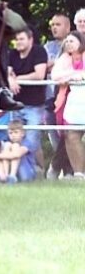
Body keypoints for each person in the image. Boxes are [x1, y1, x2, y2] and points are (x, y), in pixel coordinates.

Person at [6, 28, 48, 181]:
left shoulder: (39, 51)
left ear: (30, 40)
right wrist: (11, 79)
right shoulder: (12, 54)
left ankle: (40, 170)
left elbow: (39, 75)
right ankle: (18, 172)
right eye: (17, 39)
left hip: (34, 105)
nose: (18, 42)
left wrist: (18, 78)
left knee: (32, 139)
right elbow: (8, 72)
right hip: (16, 104)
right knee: (15, 138)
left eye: (21, 39)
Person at [52, 31, 85, 179]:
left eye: (72, 41)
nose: (68, 43)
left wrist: (71, 76)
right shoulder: (64, 58)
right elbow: (56, 76)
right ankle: (78, 174)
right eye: (67, 41)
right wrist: (73, 75)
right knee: (71, 135)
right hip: (74, 101)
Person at [44, 14, 72, 179]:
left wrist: (55, 65)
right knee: (56, 136)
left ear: (68, 27)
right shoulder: (47, 46)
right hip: (50, 98)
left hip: (70, 99)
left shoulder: (76, 45)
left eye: (59, 24)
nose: (54, 27)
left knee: (68, 135)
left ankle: (57, 170)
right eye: (53, 24)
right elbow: (43, 67)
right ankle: (65, 170)